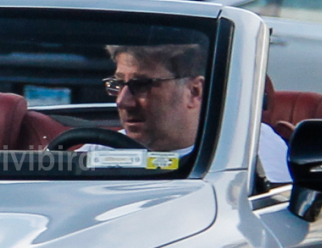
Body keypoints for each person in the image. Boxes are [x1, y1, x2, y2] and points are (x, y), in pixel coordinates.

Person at [101, 41, 291, 181]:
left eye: (141, 85)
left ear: (194, 91)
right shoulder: (98, 153)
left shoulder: (250, 149)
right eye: (118, 84)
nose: (122, 101)